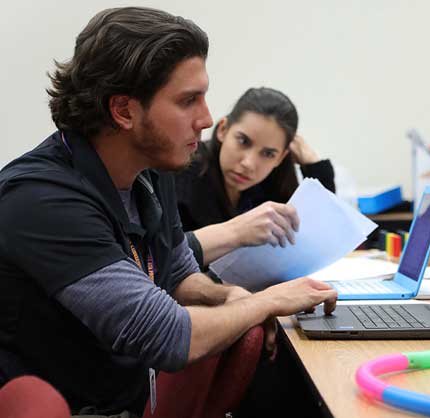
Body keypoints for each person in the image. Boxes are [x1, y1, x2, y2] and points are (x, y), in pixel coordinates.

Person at [0, 7, 336, 415]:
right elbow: (166, 335)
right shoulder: (41, 200)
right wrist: (266, 302)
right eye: (188, 100)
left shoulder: (152, 169)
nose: (207, 119)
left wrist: (226, 294)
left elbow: (175, 272)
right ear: (124, 111)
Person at [175, 87, 335, 268]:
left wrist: (314, 165)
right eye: (243, 141)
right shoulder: (182, 172)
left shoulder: (272, 183)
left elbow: (317, 236)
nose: (249, 164)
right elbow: (156, 258)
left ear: (280, 158)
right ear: (223, 130)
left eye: (268, 154)